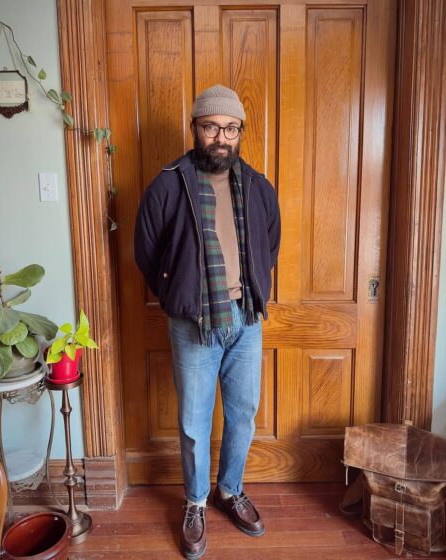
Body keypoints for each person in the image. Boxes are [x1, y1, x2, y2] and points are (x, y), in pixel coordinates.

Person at [134, 84, 281, 559]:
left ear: (239, 132)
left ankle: (229, 490)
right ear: (195, 128)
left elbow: (270, 245)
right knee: (195, 423)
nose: (222, 136)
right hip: (192, 322)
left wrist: (250, 291)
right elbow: (147, 252)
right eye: (212, 126)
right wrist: (179, 294)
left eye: (231, 128)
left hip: (246, 318)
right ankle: (196, 502)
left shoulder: (259, 187)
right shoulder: (167, 184)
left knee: (242, 415)